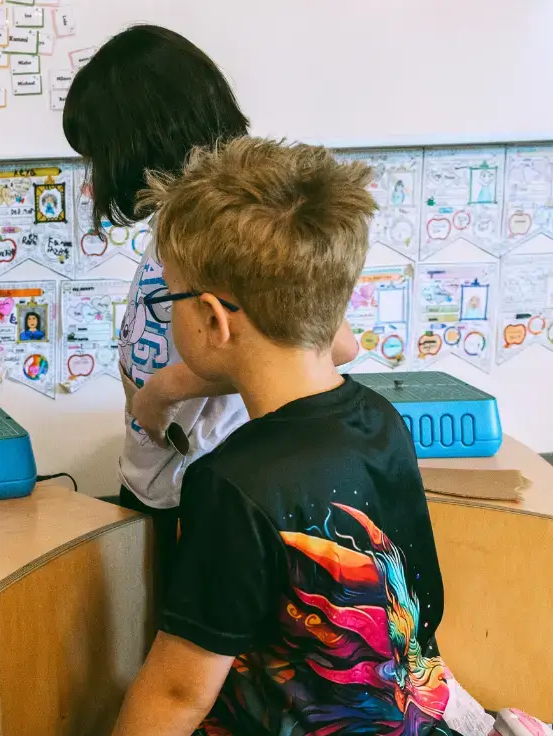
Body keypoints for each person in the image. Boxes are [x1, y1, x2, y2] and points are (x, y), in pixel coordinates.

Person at [59, 137, 457, 736]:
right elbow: (418, 603)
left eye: (171, 299)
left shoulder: (230, 484)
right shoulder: (382, 423)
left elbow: (181, 687)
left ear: (213, 320)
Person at [62, 24, 360, 601]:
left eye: (98, 153)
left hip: (210, 483)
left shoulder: (237, 225)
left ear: (136, 141)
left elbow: (331, 344)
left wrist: (160, 392)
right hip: (157, 471)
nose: (95, 174)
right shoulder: (179, 219)